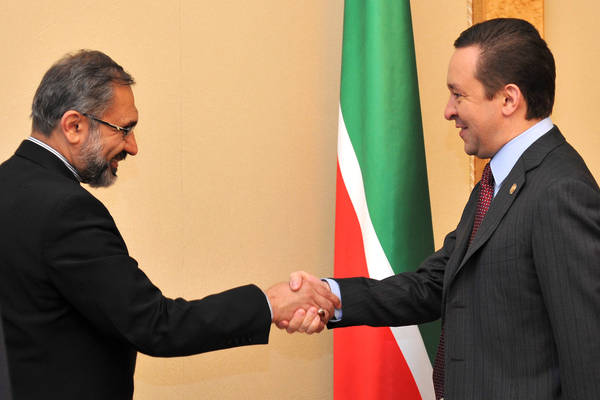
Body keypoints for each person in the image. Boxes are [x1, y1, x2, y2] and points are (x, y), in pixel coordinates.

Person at [285, 18, 600, 399]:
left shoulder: (560, 190)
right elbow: (434, 284)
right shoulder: (499, 180)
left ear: (508, 99)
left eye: (458, 95)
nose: (448, 111)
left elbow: (589, 354)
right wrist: (329, 296)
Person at [0, 50, 338, 400]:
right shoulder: (67, 210)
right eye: (124, 129)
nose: (133, 147)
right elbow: (155, 325)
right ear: (74, 126)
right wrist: (268, 303)